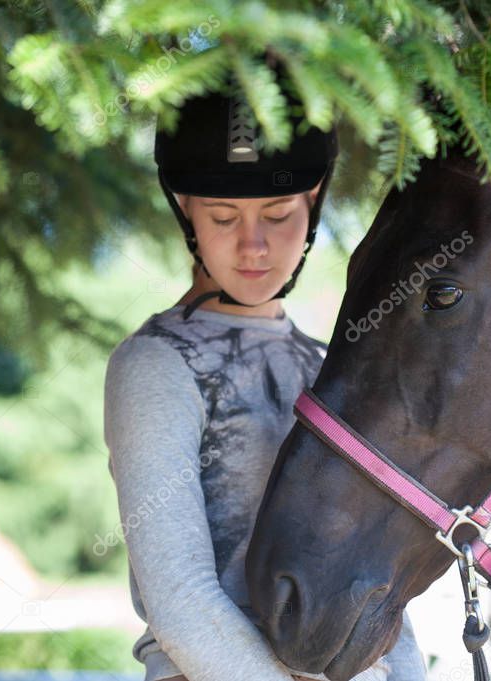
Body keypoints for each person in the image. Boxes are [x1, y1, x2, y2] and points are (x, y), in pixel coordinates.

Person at [103, 76, 428, 681]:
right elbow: (180, 598)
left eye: (278, 215)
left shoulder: (329, 363)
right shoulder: (155, 363)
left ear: (314, 204)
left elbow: (378, 583)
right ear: (185, 212)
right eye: (223, 217)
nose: (253, 245)